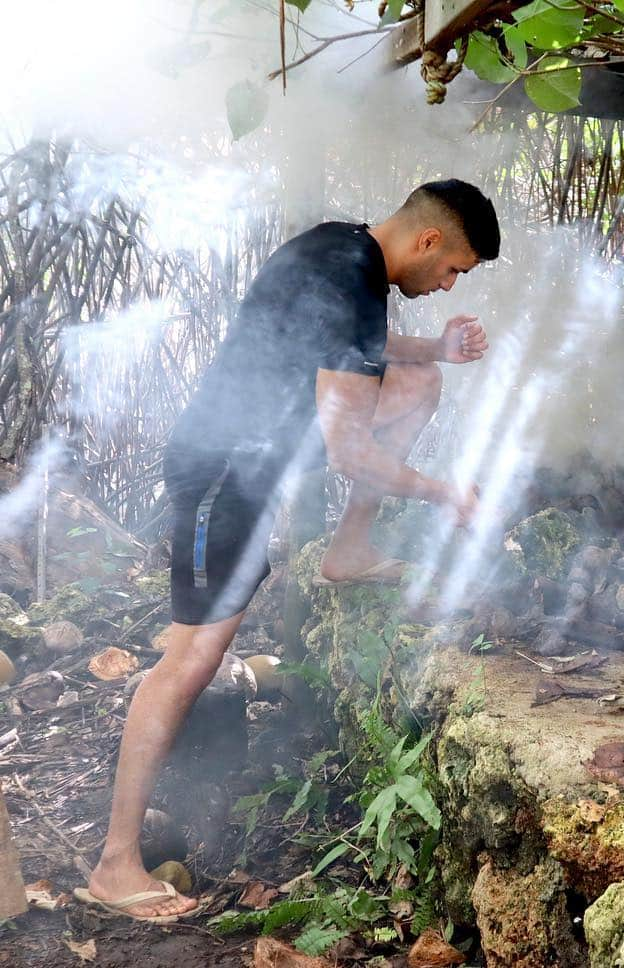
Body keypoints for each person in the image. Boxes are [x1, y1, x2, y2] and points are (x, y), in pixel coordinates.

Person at [78, 179, 501, 922]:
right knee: (192, 660)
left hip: (254, 456)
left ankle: (351, 547)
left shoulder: (343, 248)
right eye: (456, 268)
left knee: (417, 380)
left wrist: (435, 348)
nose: (449, 284)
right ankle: (115, 863)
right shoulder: (355, 283)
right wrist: (446, 494)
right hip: (221, 473)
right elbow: (350, 454)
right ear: (430, 242)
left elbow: (358, 353)